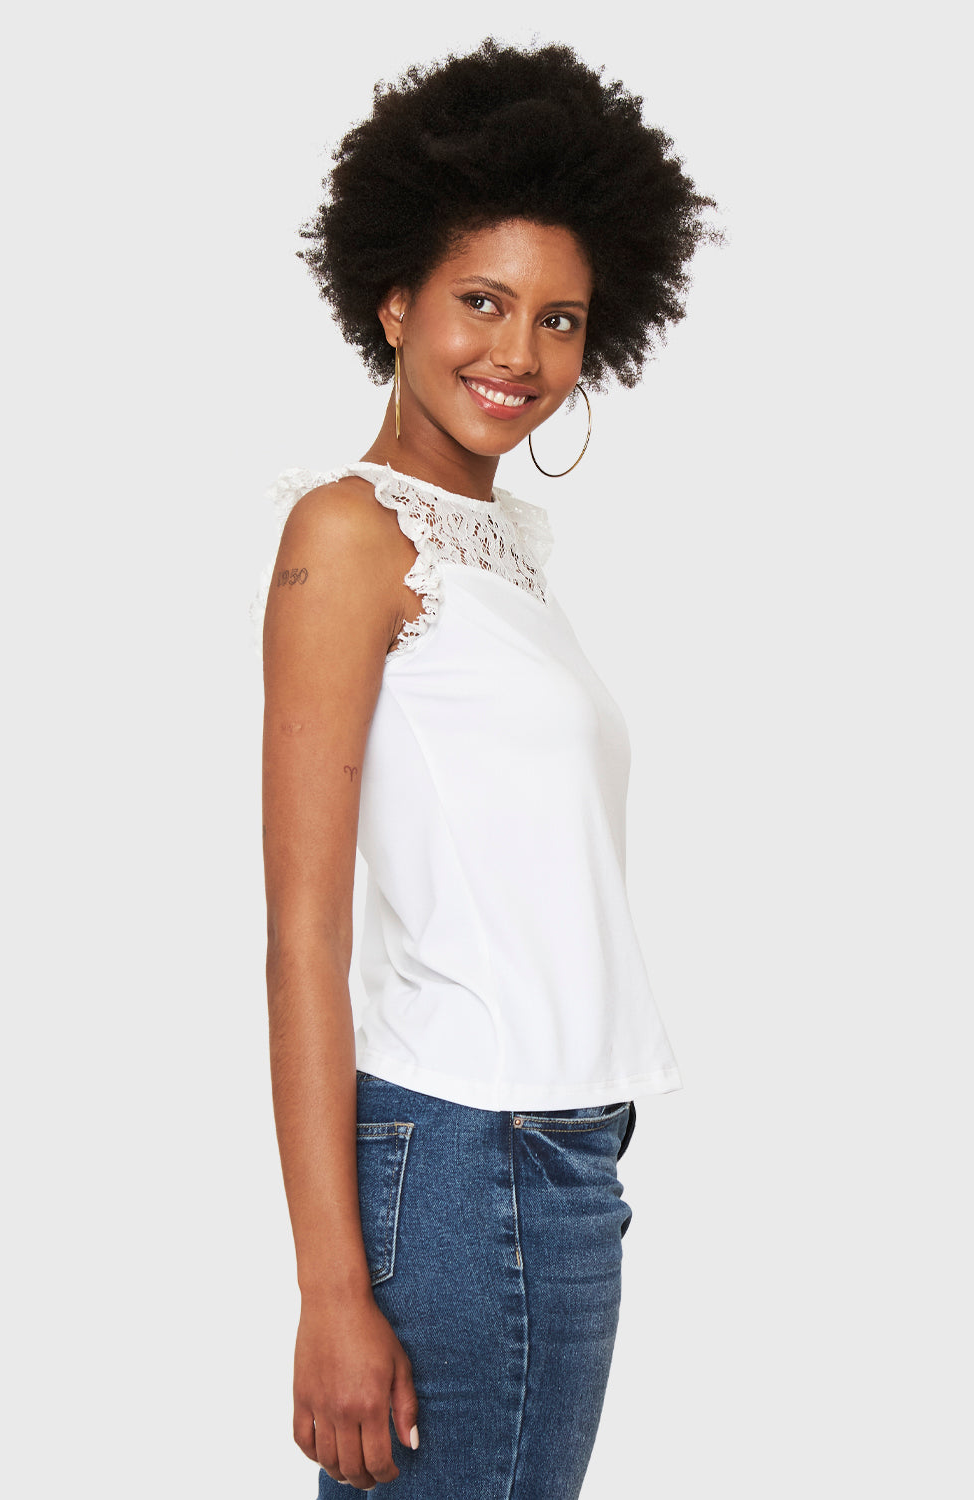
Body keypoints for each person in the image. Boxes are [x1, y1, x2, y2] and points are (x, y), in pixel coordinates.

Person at [254, 37, 720, 1498]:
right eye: (481, 301)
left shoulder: (504, 551)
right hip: (470, 1157)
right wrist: (332, 1290)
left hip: (560, 1158)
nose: (518, 353)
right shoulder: (350, 534)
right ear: (393, 298)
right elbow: (303, 935)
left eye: (559, 318)